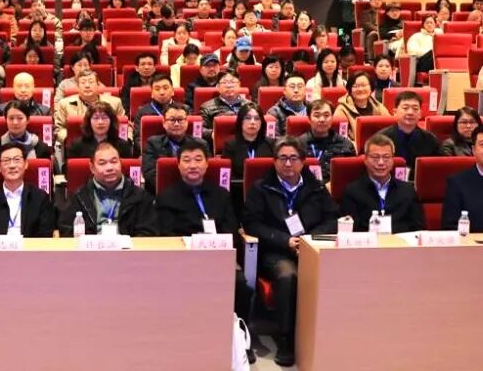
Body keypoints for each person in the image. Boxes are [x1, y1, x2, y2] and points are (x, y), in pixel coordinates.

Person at [241, 137, 338, 367]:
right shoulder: (262, 188)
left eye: (293, 158)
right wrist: (285, 241)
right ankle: (286, 339)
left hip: (313, 248)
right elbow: (252, 224)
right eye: (282, 158)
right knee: (288, 275)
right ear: (274, 161)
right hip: (276, 252)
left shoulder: (316, 188)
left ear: (303, 162)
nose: (288, 164)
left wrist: (307, 241)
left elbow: (332, 219)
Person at [155, 139, 255, 346]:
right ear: (178, 164)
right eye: (187, 160)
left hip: (220, 258)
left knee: (240, 285)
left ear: (207, 164)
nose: (193, 165)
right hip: (184, 260)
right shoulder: (167, 197)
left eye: (198, 159)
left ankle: (238, 340)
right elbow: (167, 234)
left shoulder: (221, 194)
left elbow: (231, 230)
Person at [58, 140, 158, 236]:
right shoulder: (79, 197)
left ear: (120, 163)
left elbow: (148, 232)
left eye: (114, 162)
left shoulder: (140, 197)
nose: (109, 168)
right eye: (102, 163)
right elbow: (66, 230)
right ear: (92, 168)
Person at [339, 134, 425, 233]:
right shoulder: (352, 191)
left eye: (386, 157)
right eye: (375, 157)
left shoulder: (408, 190)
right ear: (365, 160)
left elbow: (419, 229)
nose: (381, 162)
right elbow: (350, 230)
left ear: (392, 160)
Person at [0, 142, 57, 237]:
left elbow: (45, 235)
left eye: (17, 160)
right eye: (6, 161)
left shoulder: (40, 198)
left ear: (26, 164)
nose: (12, 166)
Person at [141, 103, 208, 193]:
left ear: (187, 122)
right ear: (164, 122)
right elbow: (150, 173)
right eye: (172, 120)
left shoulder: (200, 144)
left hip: (193, 191)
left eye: (180, 120)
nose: (176, 124)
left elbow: (206, 171)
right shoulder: (153, 143)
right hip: (163, 192)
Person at [54, 69, 127, 145]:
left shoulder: (114, 103)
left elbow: (124, 125)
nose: (87, 86)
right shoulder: (64, 104)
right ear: (78, 86)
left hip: (108, 144)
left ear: (98, 85)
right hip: (77, 146)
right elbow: (58, 128)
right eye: (83, 83)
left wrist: (125, 142)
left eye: (91, 82)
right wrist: (71, 140)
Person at [378, 91, 440, 177]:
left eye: (415, 109)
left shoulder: (430, 140)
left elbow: (435, 170)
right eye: (405, 108)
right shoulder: (381, 139)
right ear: (395, 112)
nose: (410, 112)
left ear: (420, 114)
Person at [64, 101, 135, 163]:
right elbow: (69, 170)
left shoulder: (123, 145)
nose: (100, 122)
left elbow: (129, 168)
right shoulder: (76, 145)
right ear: (89, 121)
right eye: (96, 118)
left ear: (111, 121)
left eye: (104, 117)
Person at [0, 100, 54, 165]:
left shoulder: (41, 147)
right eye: (11, 118)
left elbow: (46, 170)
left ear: (27, 120)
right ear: (5, 120)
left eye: (20, 118)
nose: (15, 122)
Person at [334, 70, 390, 143]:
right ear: (350, 89)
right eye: (356, 86)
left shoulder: (378, 106)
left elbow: (389, 128)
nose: (360, 89)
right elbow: (341, 138)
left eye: (364, 85)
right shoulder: (342, 110)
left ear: (371, 88)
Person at [199, 71, 247, 140]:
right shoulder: (206, 107)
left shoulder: (249, 105)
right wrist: (212, 133)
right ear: (218, 86)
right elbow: (198, 129)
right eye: (224, 82)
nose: (229, 86)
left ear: (239, 85)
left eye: (232, 82)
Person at [131, 73, 177, 142]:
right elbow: (138, 139)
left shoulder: (184, 110)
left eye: (165, 88)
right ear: (152, 93)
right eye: (157, 89)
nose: (162, 92)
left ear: (173, 91)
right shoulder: (142, 112)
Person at [266, 73, 308, 137]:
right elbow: (271, 138)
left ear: (305, 90)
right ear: (284, 91)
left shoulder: (312, 109)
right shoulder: (273, 112)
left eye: (300, 86)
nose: (296, 90)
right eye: (292, 87)